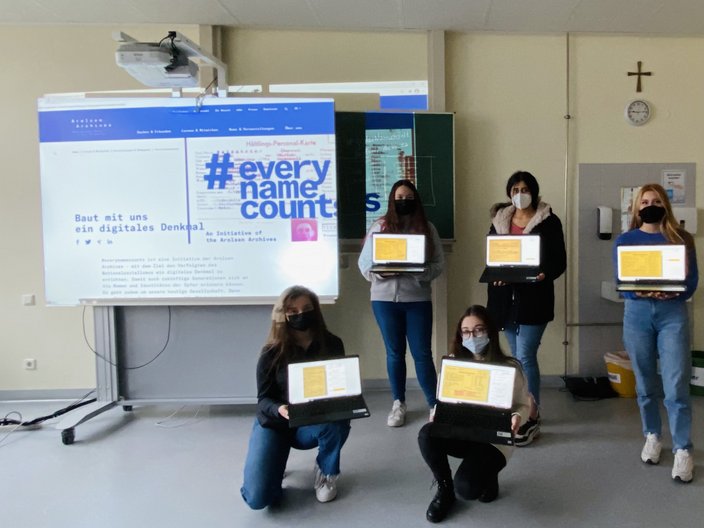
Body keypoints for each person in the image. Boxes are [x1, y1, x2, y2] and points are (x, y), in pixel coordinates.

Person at [613, 183, 698, 483]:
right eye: (645, 201)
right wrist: (642, 292)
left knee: (676, 384)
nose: (650, 204)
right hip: (636, 315)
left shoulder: (682, 238)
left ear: (666, 205)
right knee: (645, 383)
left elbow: (691, 282)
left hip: (672, 314)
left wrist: (671, 293)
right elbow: (621, 281)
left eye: (656, 200)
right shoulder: (625, 240)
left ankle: (682, 449)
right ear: (636, 208)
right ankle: (652, 434)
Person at [240, 285, 351, 509]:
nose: (301, 314)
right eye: (293, 311)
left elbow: (339, 386)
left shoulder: (332, 344)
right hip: (276, 422)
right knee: (258, 499)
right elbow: (263, 401)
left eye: (307, 308)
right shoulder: (271, 352)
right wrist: (279, 409)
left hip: (312, 422)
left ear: (315, 310)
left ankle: (325, 472)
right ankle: (273, 463)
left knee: (339, 419)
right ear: (283, 315)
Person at [418, 305, 531, 523]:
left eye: (479, 330)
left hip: (494, 439)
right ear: (460, 335)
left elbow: (523, 406)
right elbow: (444, 399)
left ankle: (488, 476)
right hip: (462, 430)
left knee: (468, 489)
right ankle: (444, 491)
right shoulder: (452, 362)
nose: (473, 336)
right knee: (427, 434)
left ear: (490, 331)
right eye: (467, 331)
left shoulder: (509, 367)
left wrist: (518, 417)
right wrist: (436, 412)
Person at [486, 170, 566, 445]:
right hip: (504, 299)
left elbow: (559, 261)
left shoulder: (549, 220)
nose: (520, 194)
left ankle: (531, 413)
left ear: (534, 190)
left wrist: (544, 272)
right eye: (515, 189)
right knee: (515, 357)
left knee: (525, 355)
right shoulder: (500, 219)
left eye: (525, 188)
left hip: (535, 298)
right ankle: (519, 409)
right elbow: (493, 257)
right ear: (509, 193)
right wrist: (495, 273)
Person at [358, 179, 445, 427]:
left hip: (417, 299)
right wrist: (379, 273)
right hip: (384, 300)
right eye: (399, 197)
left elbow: (439, 265)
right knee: (394, 353)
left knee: (422, 354)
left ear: (415, 200)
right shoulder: (380, 227)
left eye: (408, 197)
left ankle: (433, 404)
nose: (403, 201)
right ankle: (398, 403)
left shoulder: (427, 229)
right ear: (391, 200)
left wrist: (419, 272)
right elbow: (364, 265)